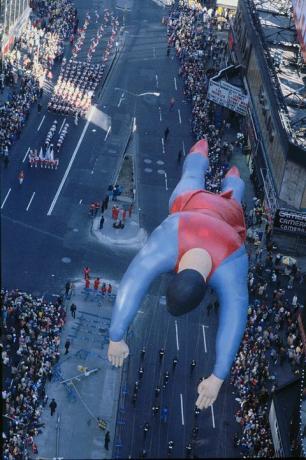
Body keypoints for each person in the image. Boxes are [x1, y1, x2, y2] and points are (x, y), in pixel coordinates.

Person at [108, 139, 249, 410]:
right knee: (193, 178)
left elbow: (134, 280)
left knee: (214, 186)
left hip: (228, 217)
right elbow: (234, 318)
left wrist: (117, 333)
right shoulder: (227, 263)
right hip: (191, 208)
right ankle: (216, 167)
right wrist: (217, 376)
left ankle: (221, 169)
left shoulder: (233, 262)